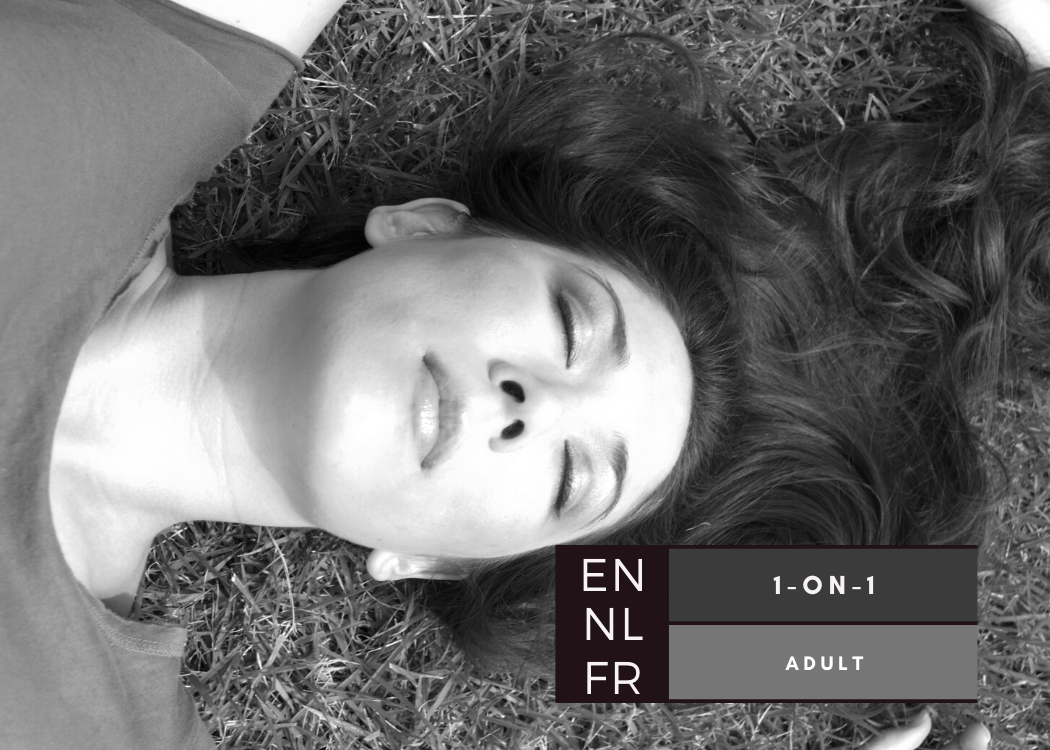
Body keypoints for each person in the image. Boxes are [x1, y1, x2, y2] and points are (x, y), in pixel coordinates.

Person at [0, 0, 1044, 747]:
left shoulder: (92, 723)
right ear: (424, 226)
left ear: (436, 559)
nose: (531, 405)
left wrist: (873, 632)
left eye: (570, 477)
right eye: (570, 325)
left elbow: (892, 627)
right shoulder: (146, 84)